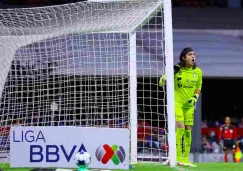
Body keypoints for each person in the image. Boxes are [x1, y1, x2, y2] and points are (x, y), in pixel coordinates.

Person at [159, 47, 202, 167]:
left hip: (189, 106)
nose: (193, 56)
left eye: (194, 54)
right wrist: (168, 75)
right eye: (190, 54)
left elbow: (198, 88)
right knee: (180, 127)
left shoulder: (198, 72)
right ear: (184, 57)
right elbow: (161, 82)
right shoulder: (177, 69)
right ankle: (176, 157)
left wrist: (195, 98)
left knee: (188, 129)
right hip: (176, 103)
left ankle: (186, 159)